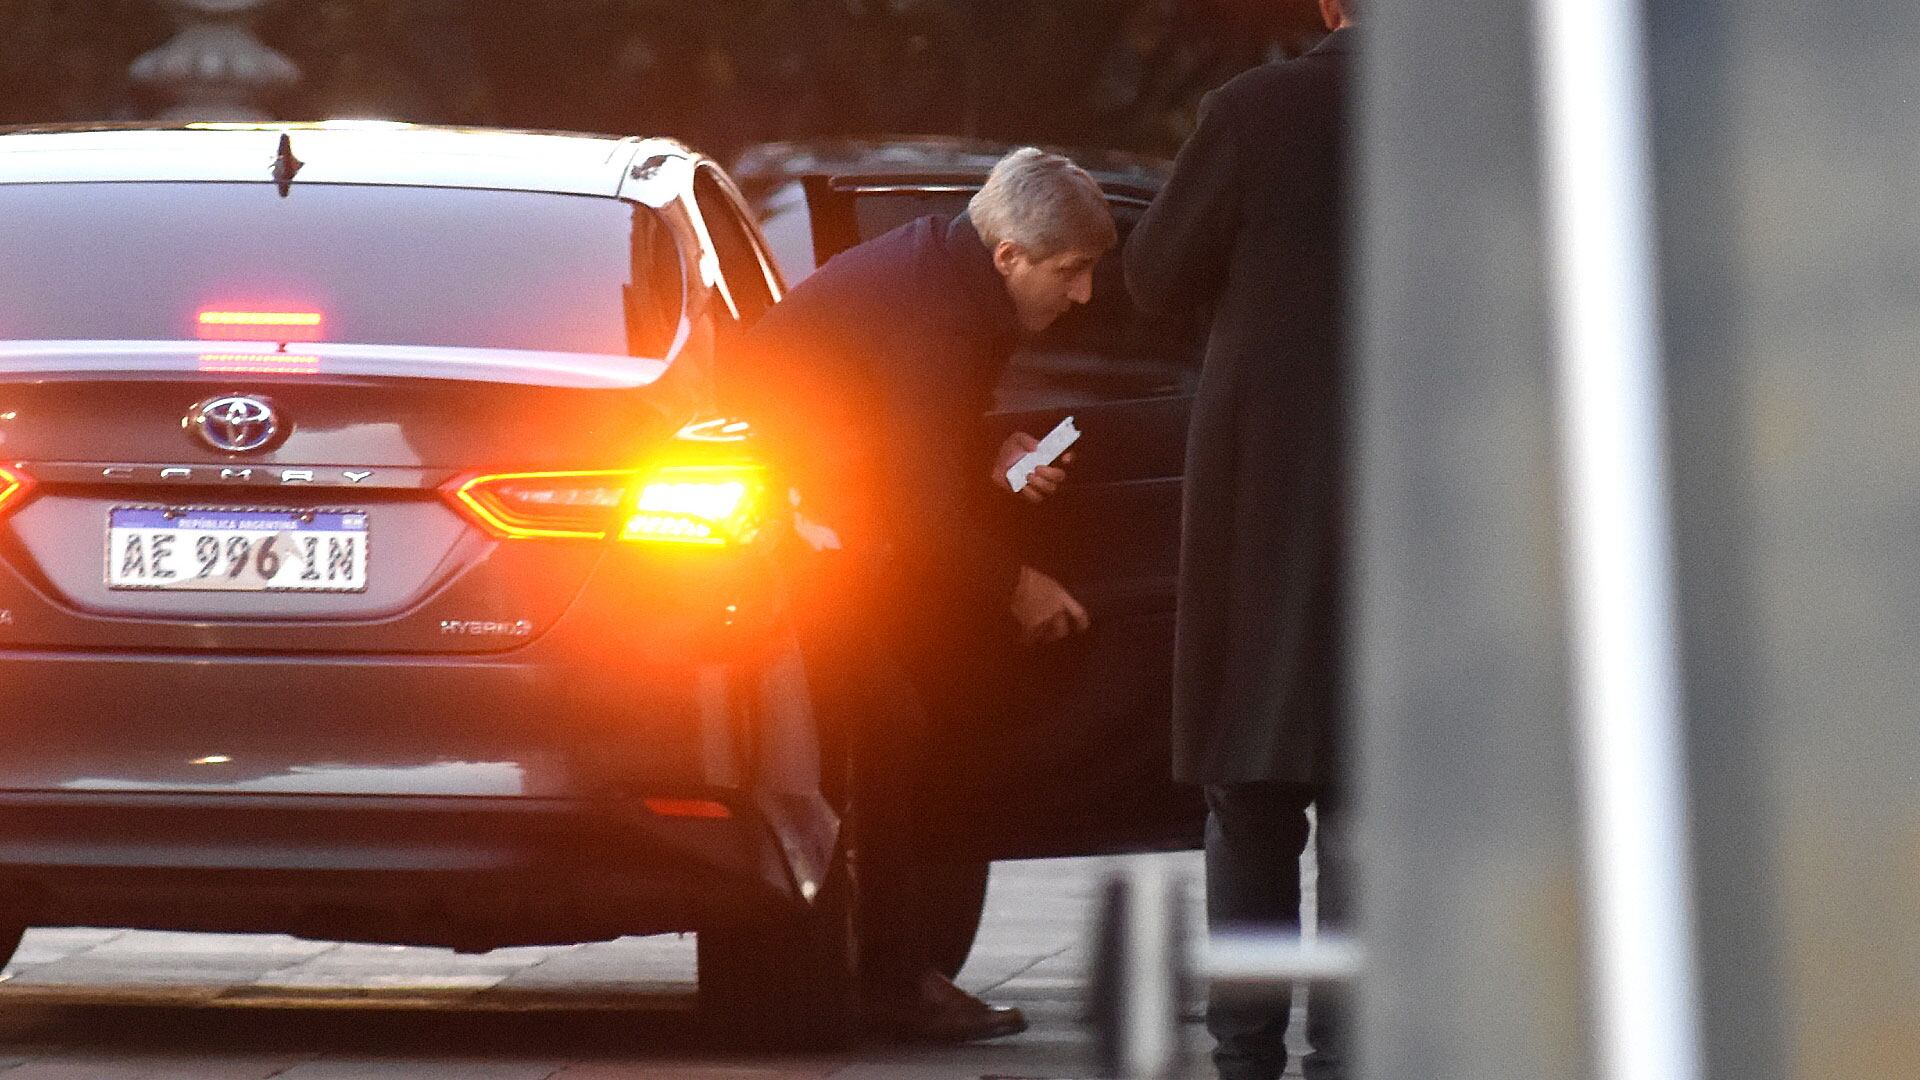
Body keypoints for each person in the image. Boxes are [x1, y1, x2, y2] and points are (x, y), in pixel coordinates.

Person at [728, 147, 1116, 1043]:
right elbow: (914, 507)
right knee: (890, 726)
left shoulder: (939, 277)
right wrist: (1016, 585)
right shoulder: (942, 314)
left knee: (894, 721)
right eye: (1073, 272)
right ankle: (887, 981)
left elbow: (912, 449)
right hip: (778, 548)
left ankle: (886, 970)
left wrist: (987, 456)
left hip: (812, 535)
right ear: (1010, 257)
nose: (1086, 295)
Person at [1123, 1, 1356, 1078]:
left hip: (1264, 510)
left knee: (1253, 796)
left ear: (1327, 3)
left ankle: (1245, 1051)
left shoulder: (1252, 113)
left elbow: (1151, 277)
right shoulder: (1477, 130)